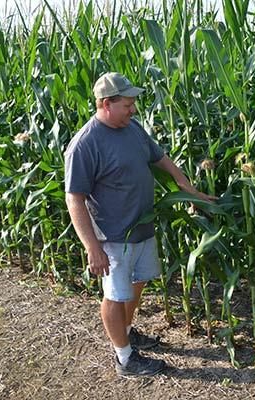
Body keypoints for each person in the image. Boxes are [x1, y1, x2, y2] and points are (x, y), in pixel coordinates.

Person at [64, 72, 217, 377]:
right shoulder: (85, 144)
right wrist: (92, 247)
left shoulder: (132, 128)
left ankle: (127, 332)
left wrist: (186, 189)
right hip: (114, 236)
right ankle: (124, 358)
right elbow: (75, 199)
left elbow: (160, 158)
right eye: (127, 104)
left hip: (143, 227)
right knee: (114, 294)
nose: (133, 109)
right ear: (107, 104)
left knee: (138, 282)